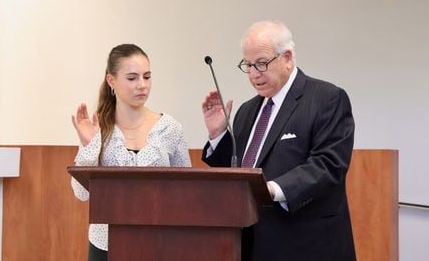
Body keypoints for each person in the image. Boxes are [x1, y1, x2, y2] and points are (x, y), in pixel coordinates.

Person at [201, 21, 356, 261]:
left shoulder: (326, 98)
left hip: (306, 244)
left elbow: (328, 165)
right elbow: (237, 171)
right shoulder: (247, 110)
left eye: (261, 63)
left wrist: (270, 190)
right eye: (248, 65)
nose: (253, 74)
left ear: (287, 57)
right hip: (253, 244)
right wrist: (218, 135)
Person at [71, 43, 191, 261]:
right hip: (105, 244)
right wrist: (90, 144)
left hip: (159, 243)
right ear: (111, 80)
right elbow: (81, 194)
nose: (142, 85)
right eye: (132, 78)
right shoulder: (97, 127)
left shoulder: (170, 128)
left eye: (147, 76)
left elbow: (185, 192)